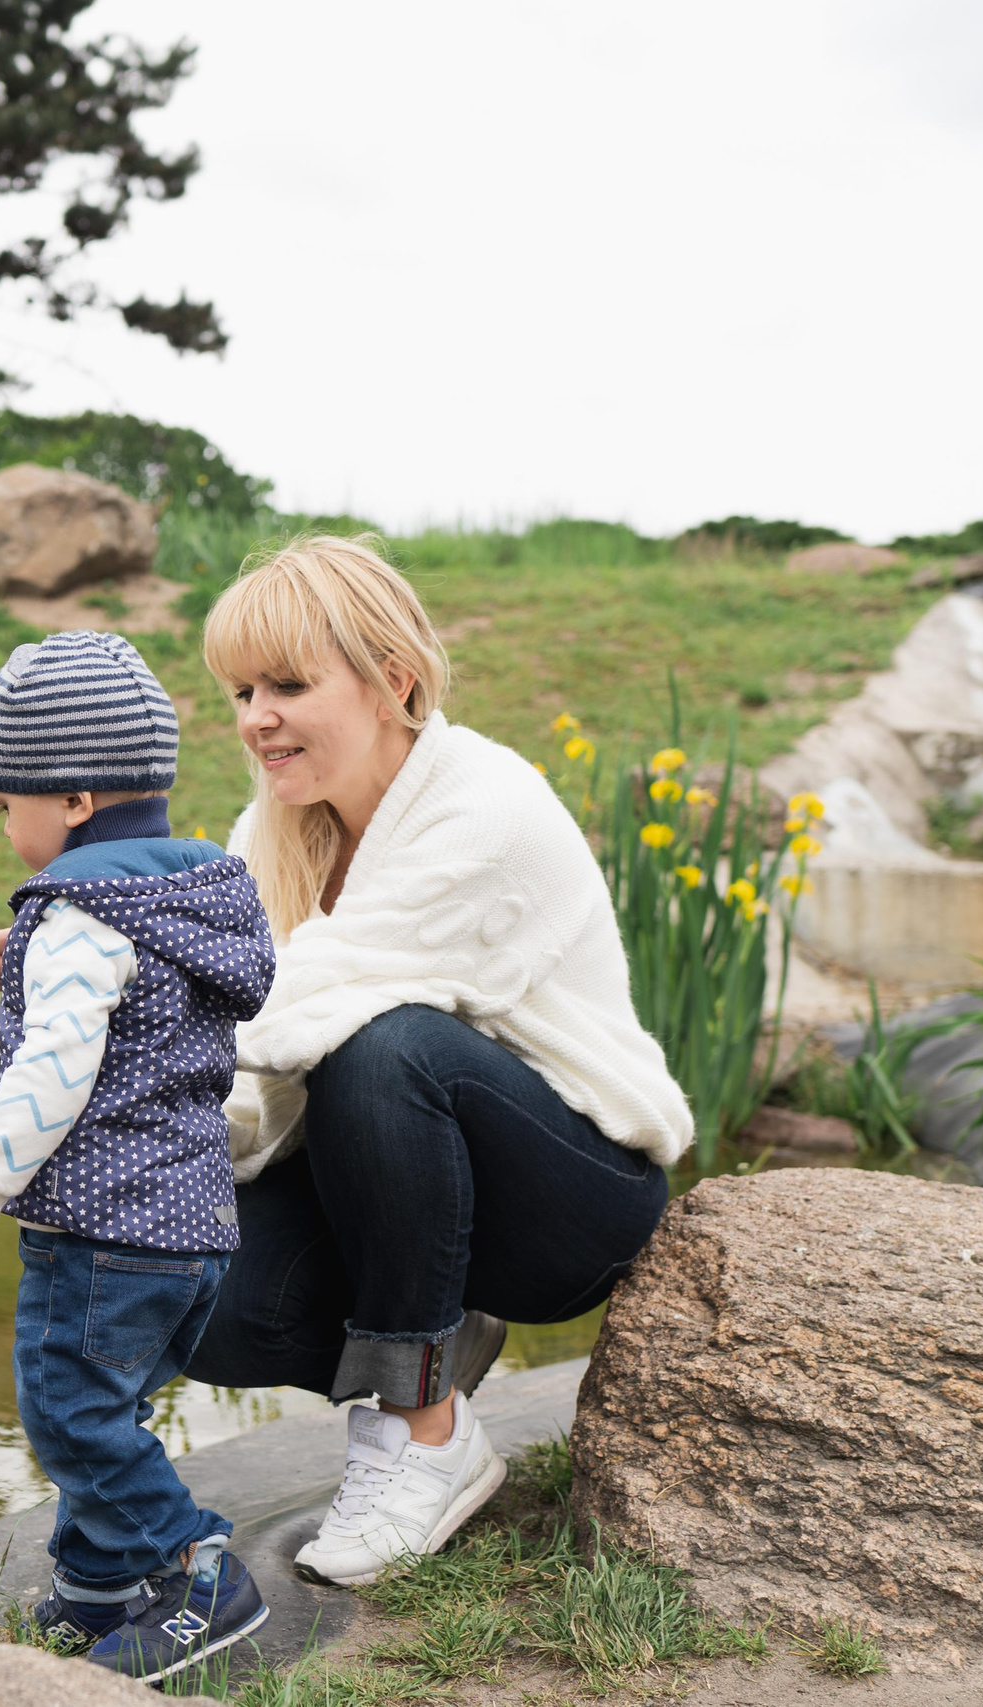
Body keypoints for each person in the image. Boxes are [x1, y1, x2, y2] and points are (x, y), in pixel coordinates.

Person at [185, 536, 683, 1587]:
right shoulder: (269, 833)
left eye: (287, 685)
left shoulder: (484, 806)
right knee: (198, 1294)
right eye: (241, 691)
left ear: (393, 684)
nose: (256, 717)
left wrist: (143, 988)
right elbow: (233, 1047)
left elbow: (295, 1008)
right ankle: (438, 1346)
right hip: (399, 1183)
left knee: (381, 1039)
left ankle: (423, 1433)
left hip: (569, 1197)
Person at [0, 629, 279, 1685]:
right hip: (192, 1226)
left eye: (5, 803)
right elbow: (134, 1001)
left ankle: (197, 1569)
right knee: (103, 1410)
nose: (4, 825)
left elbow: (53, 1070)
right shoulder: (189, 892)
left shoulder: (80, 914)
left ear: (73, 799)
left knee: (67, 1410)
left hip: (105, 1231)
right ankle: (97, 1587)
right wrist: (24, 956)